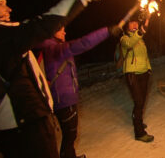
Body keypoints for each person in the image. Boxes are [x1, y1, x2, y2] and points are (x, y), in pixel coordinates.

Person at [0, 0, 104, 158]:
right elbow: (41, 26)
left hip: (24, 122)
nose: (9, 8)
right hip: (23, 125)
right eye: (0, 4)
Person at [34, 24, 122, 158]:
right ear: (52, 32)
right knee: (70, 134)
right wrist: (107, 31)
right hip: (63, 100)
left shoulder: (52, 47)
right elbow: (83, 43)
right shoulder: (54, 48)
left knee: (70, 134)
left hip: (64, 98)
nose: (64, 32)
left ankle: (71, 155)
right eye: (60, 29)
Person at [120, 11, 154, 143]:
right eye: (131, 23)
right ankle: (139, 132)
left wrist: (149, 68)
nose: (134, 24)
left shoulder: (141, 40)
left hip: (144, 73)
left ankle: (138, 121)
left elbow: (144, 56)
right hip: (132, 74)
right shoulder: (124, 39)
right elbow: (130, 44)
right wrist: (140, 31)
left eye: (136, 22)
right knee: (139, 102)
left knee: (142, 101)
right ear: (127, 26)